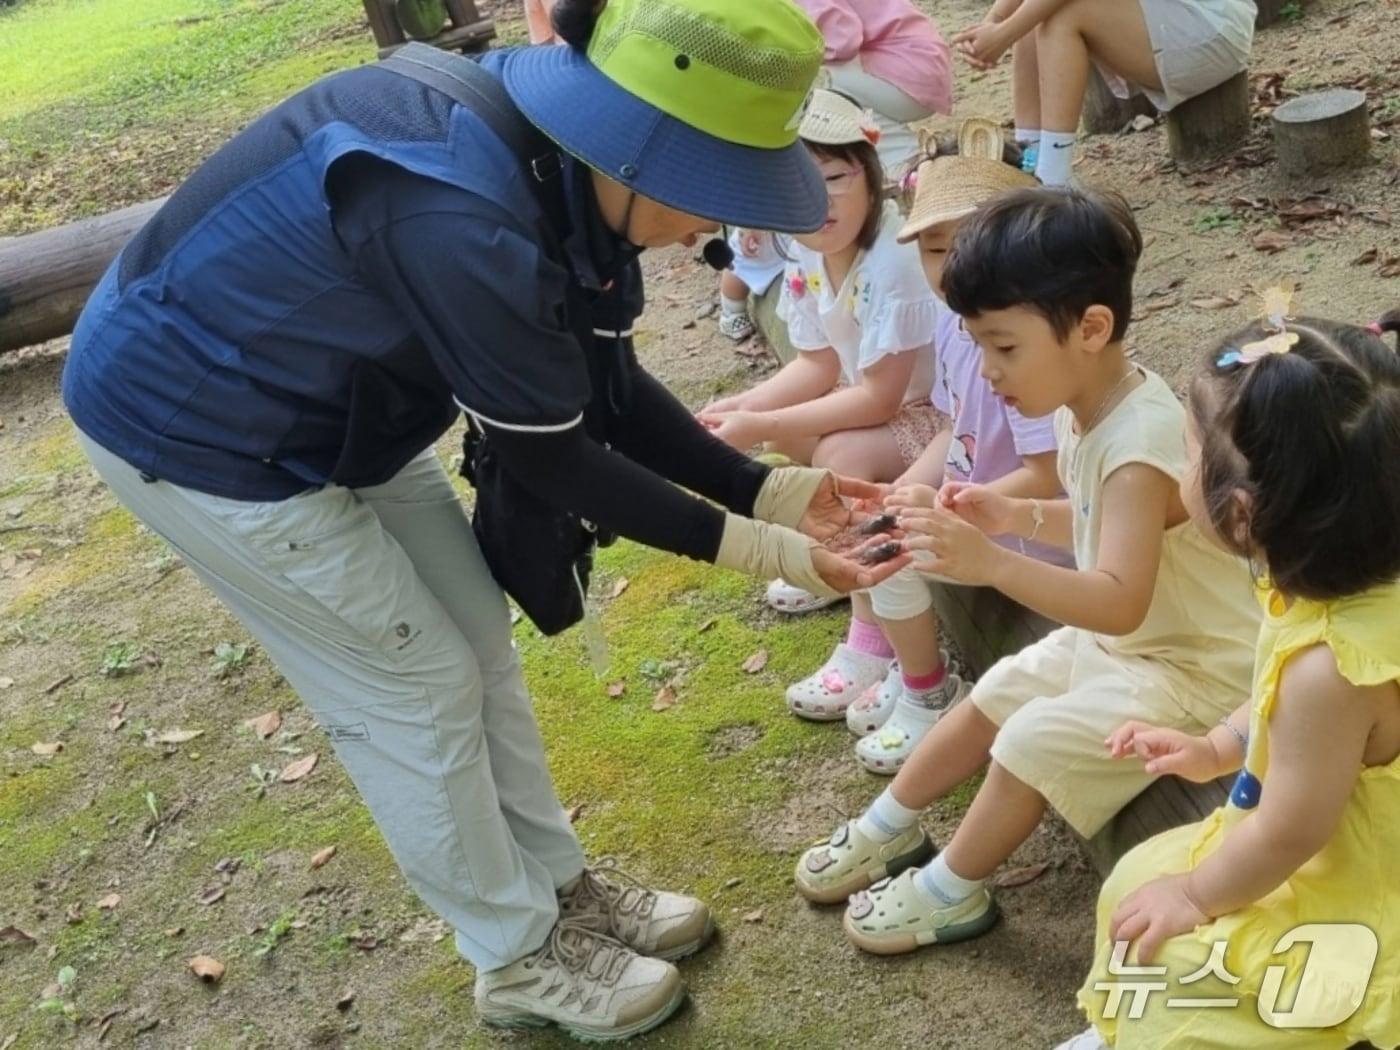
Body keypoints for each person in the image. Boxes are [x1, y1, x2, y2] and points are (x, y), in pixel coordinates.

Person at [60, 0, 909, 1039]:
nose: (713, 227)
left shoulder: (562, 164)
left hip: (339, 405)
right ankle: (512, 958)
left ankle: (557, 897)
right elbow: (551, 452)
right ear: (644, 156)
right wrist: (774, 549)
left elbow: (603, 384)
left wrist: (768, 489)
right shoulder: (454, 209)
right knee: (416, 688)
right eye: (709, 194)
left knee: (472, 639)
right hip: (203, 428)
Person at [793, 188, 1261, 960]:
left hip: (1200, 670)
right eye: (978, 345)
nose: (989, 370)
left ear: (1092, 328)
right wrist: (1012, 516)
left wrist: (993, 561)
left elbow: (1117, 597)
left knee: (1032, 739)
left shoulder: (1140, 442)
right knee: (996, 693)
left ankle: (950, 890)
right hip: (1144, 645)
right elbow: (1092, 524)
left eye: (1004, 348)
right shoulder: (1092, 401)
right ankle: (884, 827)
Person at [1061, 305, 1400, 1050]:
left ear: (1239, 516)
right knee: (1140, 889)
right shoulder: (1335, 588)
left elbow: (1291, 830)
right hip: (1317, 823)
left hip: (1356, 885)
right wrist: (1218, 746)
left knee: (1169, 924)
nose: (1182, 469)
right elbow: (1276, 698)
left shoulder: (1331, 670)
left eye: (1187, 454)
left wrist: (1194, 892)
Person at [785, 120, 1066, 782]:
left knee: (897, 548)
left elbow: (1049, 473)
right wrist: (909, 485)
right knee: (878, 519)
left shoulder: (1020, 346)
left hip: (1028, 530)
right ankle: (897, 663)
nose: (953, 267)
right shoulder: (956, 325)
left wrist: (954, 505)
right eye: (935, 250)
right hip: (975, 500)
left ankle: (927, 688)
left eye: (969, 245)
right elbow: (953, 424)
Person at [699, 89, 941, 616]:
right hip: (885, 399)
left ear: (872, 179)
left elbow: (880, 399)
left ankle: (861, 590)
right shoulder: (810, 251)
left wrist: (761, 425)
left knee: (838, 456)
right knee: (801, 433)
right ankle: (834, 559)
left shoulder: (893, 260)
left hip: (937, 413)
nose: (821, 202)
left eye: (835, 179)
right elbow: (816, 362)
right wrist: (742, 410)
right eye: (797, 187)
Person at [952, 0, 1255, 185]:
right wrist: (991, 25)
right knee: (1035, 12)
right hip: (1163, 18)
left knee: (1060, 15)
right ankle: (1029, 160)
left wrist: (1003, 33)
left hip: (1211, 27)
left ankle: (1053, 181)